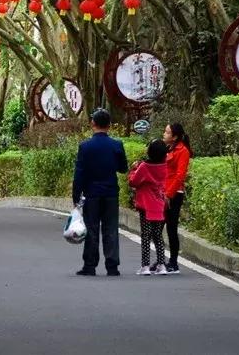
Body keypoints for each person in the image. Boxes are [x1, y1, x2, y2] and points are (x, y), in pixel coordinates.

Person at [72, 108, 128, 276]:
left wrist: (76, 196)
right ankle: (112, 266)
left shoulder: (85, 147)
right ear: (109, 125)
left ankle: (89, 266)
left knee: (92, 228)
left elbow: (79, 173)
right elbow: (123, 168)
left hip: (92, 194)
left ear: (93, 124)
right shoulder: (116, 145)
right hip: (111, 193)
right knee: (111, 229)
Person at [128, 140, 169, 275]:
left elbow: (133, 182)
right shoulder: (164, 166)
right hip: (159, 204)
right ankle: (161, 265)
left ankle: (145, 266)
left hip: (145, 205)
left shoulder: (144, 166)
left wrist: (134, 169)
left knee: (145, 236)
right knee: (158, 235)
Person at [163, 122, 192, 274]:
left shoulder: (183, 151)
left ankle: (173, 262)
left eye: (167, 132)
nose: (164, 134)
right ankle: (161, 260)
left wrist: (169, 194)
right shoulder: (168, 148)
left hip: (174, 194)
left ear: (174, 137)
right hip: (163, 192)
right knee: (157, 227)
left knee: (171, 228)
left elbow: (180, 175)